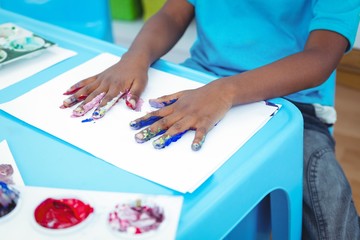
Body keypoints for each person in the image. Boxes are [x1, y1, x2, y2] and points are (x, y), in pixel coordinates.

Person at [61, 0, 360, 238]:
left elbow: (320, 58)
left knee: (330, 209)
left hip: (293, 102)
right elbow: (172, 14)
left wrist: (226, 91)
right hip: (199, 81)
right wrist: (135, 58)